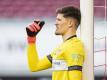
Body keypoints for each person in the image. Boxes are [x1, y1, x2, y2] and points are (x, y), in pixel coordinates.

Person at [26, 6, 85, 80]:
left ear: (70, 23)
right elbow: (34, 66)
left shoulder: (74, 46)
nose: (55, 23)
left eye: (59, 20)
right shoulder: (61, 48)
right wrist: (31, 39)